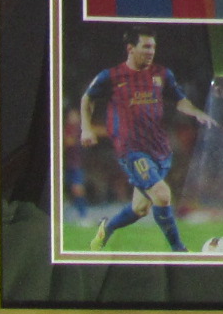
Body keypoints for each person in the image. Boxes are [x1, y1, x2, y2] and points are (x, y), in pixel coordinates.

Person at [77, 28, 207, 252]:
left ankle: (107, 228)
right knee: (162, 195)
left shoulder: (162, 74)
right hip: (131, 150)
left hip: (160, 149)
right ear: (130, 48)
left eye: (153, 47)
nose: (151, 51)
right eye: (146, 47)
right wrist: (86, 128)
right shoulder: (112, 76)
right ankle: (180, 251)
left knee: (140, 208)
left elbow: (179, 100)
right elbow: (87, 98)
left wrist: (196, 112)